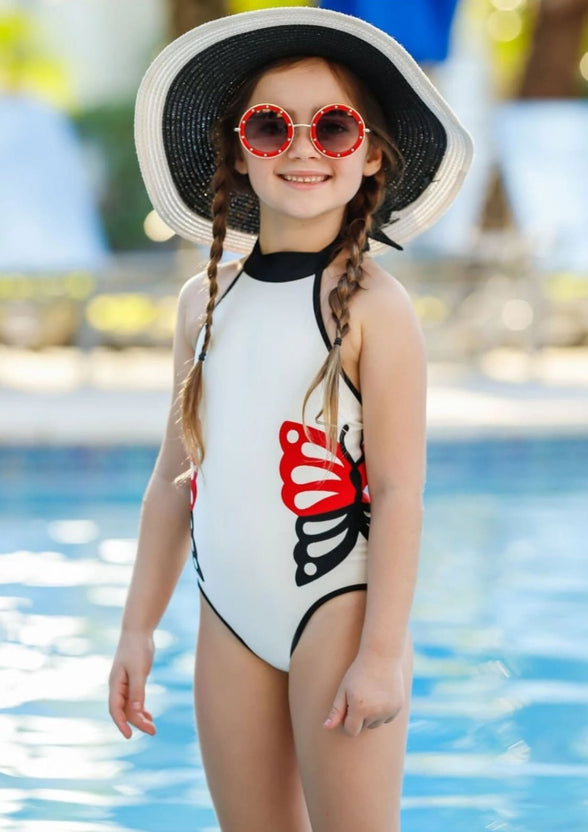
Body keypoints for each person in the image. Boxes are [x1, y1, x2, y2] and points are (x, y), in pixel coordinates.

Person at [108, 7, 473, 831]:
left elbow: (402, 494)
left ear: (371, 153)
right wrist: (136, 628)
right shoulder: (201, 302)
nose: (304, 148)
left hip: (335, 612)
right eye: (272, 127)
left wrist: (382, 656)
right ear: (241, 150)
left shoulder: (378, 309)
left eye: (334, 127)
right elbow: (175, 479)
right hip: (228, 614)